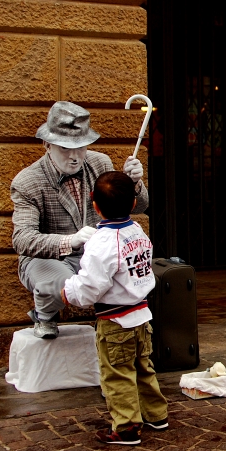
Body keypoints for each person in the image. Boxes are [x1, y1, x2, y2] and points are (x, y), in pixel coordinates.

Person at [11, 101, 148, 339]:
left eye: (81, 147)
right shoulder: (27, 181)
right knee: (61, 283)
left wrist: (133, 184)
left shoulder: (100, 163)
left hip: (97, 253)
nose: (75, 157)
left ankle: (116, 324)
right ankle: (45, 314)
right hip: (50, 258)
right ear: (47, 144)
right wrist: (70, 240)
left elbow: (141, 206)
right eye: (65, 148)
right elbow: (22, 240)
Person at [61, 171, 167, 445]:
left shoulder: (101, 242)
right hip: (142, 316)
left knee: (117, 375)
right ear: (134, 204)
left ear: (93, 204)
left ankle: (127, 427)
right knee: (143, 367)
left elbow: (90, 286)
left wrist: (68, 292)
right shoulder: (137, 231)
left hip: (115, 321)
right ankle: (156, 414)